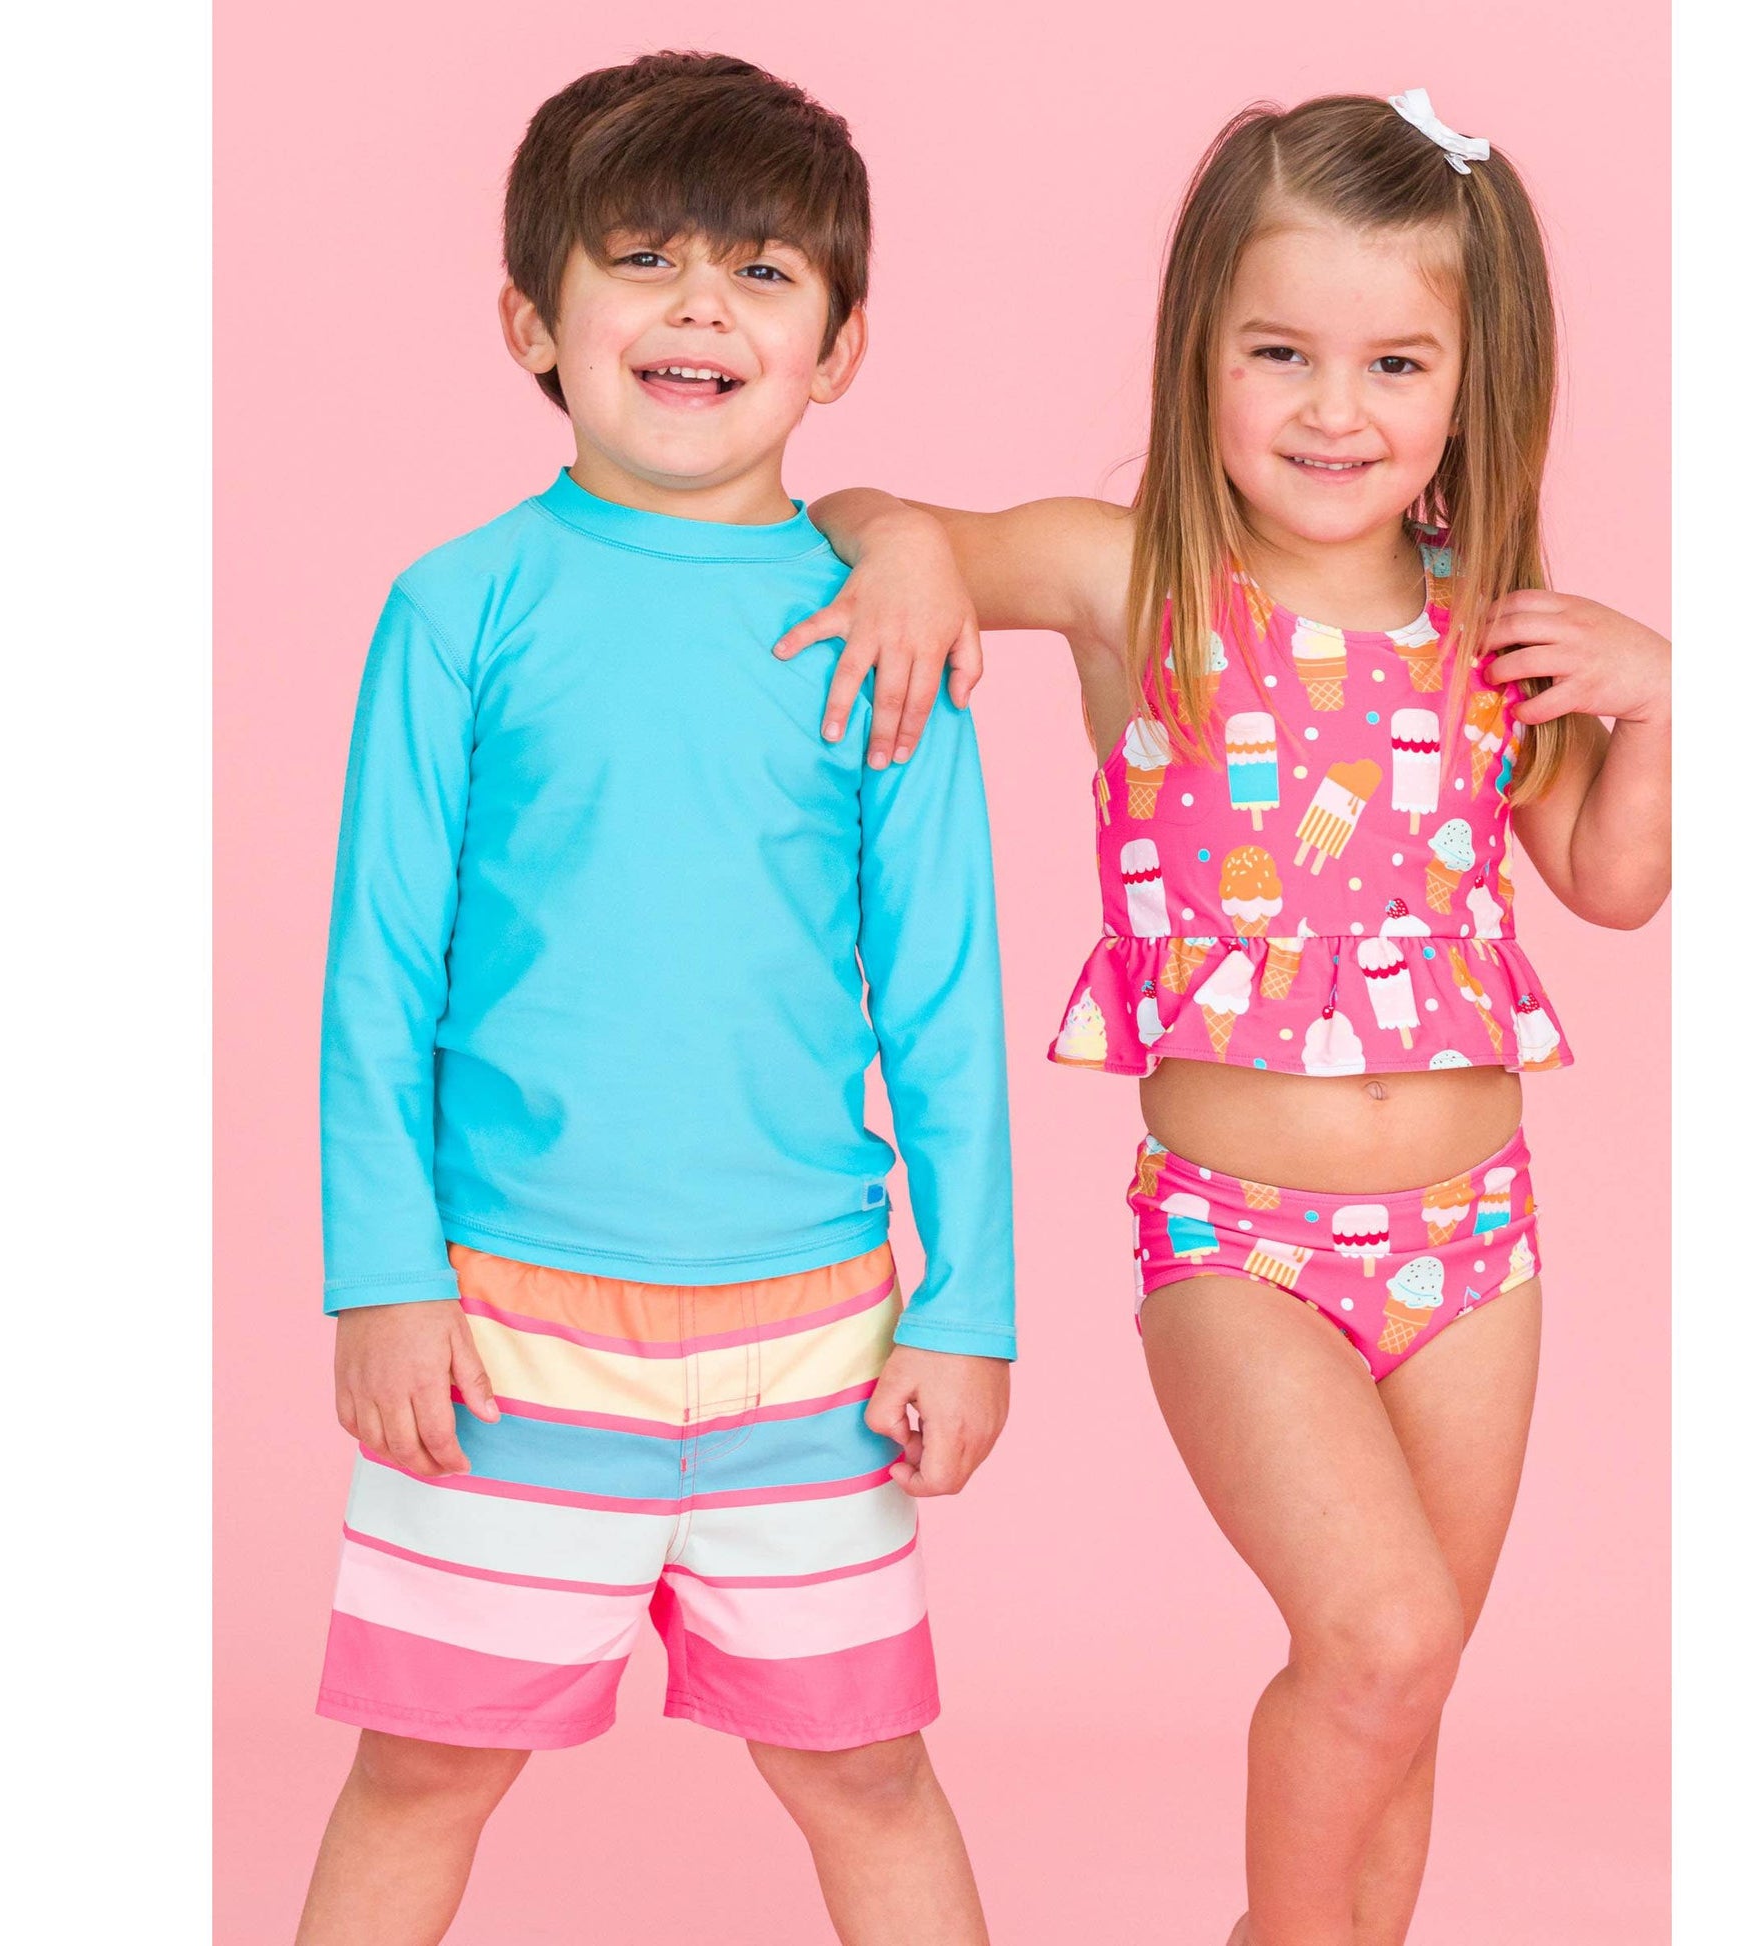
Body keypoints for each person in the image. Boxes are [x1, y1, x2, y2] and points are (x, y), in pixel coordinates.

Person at [782, 89, 1670, 1946]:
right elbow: (858, 514)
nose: (1334, 409)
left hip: (1475, 1245)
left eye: (1393, 362)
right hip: (1236, 1241)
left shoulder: (1489, 628)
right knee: (1381, 1632)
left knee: (1405, 1689)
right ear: (1200, 346)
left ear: (1470, 382)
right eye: (1281, 352)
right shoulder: (1135, 579)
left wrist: (1661, 702)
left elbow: (1608, 875)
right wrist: (910, 554)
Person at [298, 53, 1013, 1946]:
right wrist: (381, 1275)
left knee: (867, 1773)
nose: (702, 304)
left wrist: (970, 1304)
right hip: (501, 1336)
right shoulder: (459, 607)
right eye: (645, 259)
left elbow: (943, 994)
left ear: (837, 347)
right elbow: (379, 969)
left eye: (763, 272)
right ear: (534, 322)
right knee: (421, 1767)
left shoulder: (884, 624)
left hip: (816, 1346)